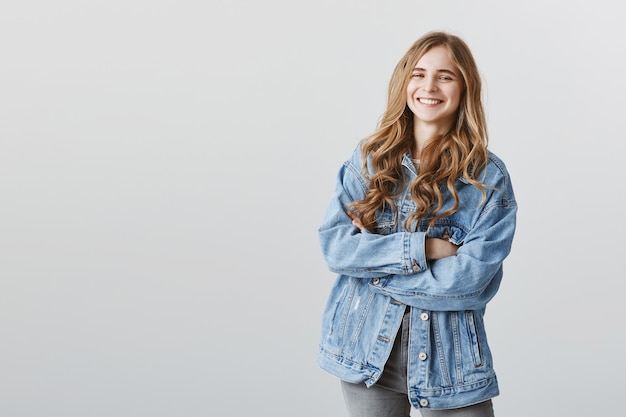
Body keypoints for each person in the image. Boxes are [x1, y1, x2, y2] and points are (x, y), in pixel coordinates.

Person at [316, 31, 517, 417]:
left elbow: (470, 284)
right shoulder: (369, 159)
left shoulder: (489, 179)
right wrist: (425, 249)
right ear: (404, 81)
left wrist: (372, 269)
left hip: (451, 362)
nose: (429, 86)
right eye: (418, 73)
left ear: (464, 88)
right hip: (365, 352)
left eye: (445, 76)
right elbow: (336, 247)